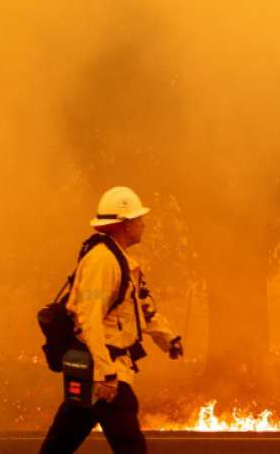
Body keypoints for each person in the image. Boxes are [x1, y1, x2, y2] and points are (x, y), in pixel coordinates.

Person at [40, 186, 183, 454]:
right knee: (129, 444)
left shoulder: (121, 260)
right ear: (124, 224)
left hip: (90, 369)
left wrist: (168, 338)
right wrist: (105, 374)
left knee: (63, 439)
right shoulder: (102, 262)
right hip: (100, 370)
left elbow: (140, 308)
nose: (143, 224)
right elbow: (89, 318)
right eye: (138, 219)